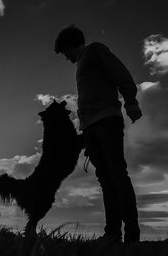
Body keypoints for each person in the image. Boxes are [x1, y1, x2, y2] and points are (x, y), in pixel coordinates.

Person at [54, 25, 142, 244]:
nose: (65, 58)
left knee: (117, 175)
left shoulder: (94, 50)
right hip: (92, 127)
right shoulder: (81, 64)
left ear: (71, 44)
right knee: (105, 179)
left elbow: (121, 74)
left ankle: (131, 234)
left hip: (107, 121)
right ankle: (112, 233)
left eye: (64, 52)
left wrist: (131, 101)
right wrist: (85, 131)